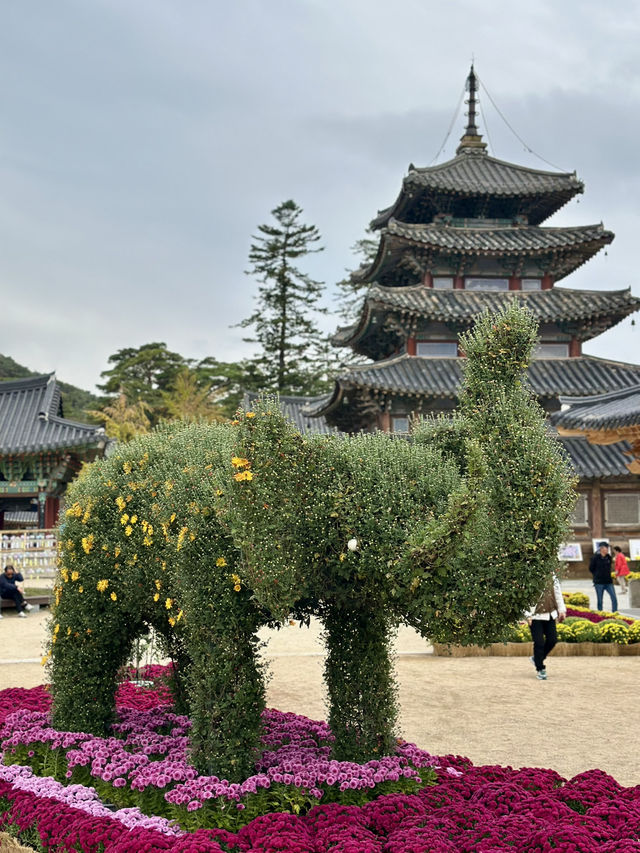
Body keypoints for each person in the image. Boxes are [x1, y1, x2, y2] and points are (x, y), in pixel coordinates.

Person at [525, 574, 566, 680]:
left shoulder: (552, 575)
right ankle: (540, 668)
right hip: (535, 617)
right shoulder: (529, 574)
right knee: (539, 643)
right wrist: (527, 615)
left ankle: (537, 658)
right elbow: (524, 597)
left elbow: (557, 593)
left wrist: (562, 610)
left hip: (550, 615)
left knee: (552, 640)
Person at [589, 542, 618, 612]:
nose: (607, 550)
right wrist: (597, 574)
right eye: (606, 548)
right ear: (601, 548)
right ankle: (600, 612)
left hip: (608, 582)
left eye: (607, 548)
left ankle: (615, 612)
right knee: (600, 599)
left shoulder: (608, 557)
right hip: (599, 582)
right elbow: (591, 568)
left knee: (614, 597)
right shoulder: (595, 557)